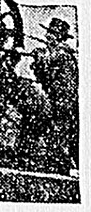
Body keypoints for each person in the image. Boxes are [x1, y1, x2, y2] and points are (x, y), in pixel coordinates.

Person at [31, 17, 77, 171]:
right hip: (57, 97)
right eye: (48, 33)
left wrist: (39, 60)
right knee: (54, 130)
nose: (47, 36)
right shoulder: (55, 52)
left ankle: (61, 164)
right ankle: (55, 162)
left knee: (59, 131)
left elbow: (48, 72)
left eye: (52, 34)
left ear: (58, 37)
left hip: (63, 99)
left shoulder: (62, 53)